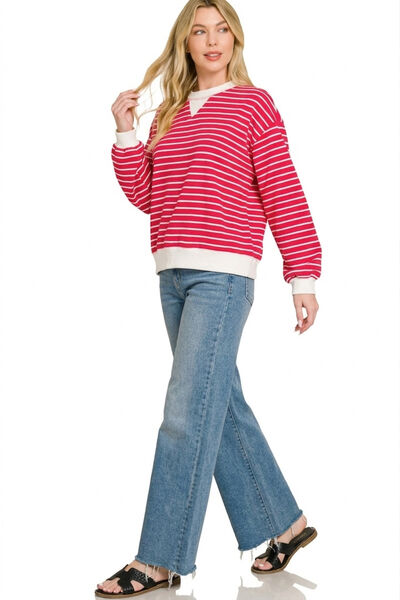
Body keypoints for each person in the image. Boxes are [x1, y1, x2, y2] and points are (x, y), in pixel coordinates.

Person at [95, 0, 321, 597]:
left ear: (235, 40)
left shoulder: (253, 104)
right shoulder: (170, 112)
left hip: (222, 277)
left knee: (184, 412)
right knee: (216, 406)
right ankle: (284, 523)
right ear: (186, 43)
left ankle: (160, 558)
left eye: (222, 29)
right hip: (172, 275)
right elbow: (148, 195)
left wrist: (302, 276)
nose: (212, 40)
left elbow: (282, 188)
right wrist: (126, 132)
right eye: (199, 31)